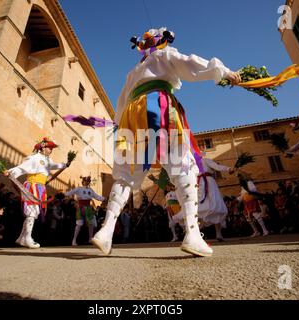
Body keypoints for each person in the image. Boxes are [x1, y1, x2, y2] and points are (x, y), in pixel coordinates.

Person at [91, 27, 241, 257]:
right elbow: (189, 64)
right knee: (183, 166)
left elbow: (121, 103)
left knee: (127, 172)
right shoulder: (164, 55)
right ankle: (192, 233)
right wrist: (223, 71)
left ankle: (106, 230)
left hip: (132, 114)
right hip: (158, 106)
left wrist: (120, 125)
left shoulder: (133, 72)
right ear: (162, 41)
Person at [4, 137, 71, 248]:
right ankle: (27, 238)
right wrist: (11, 172)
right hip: (32, 186)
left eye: (52, 148)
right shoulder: (34, 158)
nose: (51, 150)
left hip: (40, 188)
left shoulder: (48, 160)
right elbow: (22, 168)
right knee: (32, 212)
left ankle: (22, 238)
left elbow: (54, 166)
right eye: (49, 148)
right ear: (43, 147)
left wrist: (66, 164)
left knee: (33, 213)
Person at [197, 157, 235, 241]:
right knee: (202, 208)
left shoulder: (204, 160)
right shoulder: (193, 163)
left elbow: (216, 166)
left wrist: (228, 169)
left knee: (213, 207)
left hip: (206, 183)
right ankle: (199, 235)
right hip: (200, 184)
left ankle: (218, 234)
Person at [66, 176, 106, 246]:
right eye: (85, 181)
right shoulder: (79, 189)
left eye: (88, 181)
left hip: (88, 208)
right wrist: (65, 194)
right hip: (80, 207)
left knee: (91, 224)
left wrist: (104, 199)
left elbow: (97, 196)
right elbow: (70, 192)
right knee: (79, 224)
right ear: (83, 182)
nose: (87, 182)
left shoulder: (90, 190)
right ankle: (74, 240)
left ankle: (90, 238)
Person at [237, 173, 270, 237]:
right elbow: (242, 194)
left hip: (251, 200)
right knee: (249, 218)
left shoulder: (249, 182)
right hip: (246, 202)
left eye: (240, 177)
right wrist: (239, 198)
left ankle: (265, 230)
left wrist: (246, 191)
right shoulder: (242, 186)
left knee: (257, 216)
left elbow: (253, 189)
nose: (239, 179)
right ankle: (256, 231)